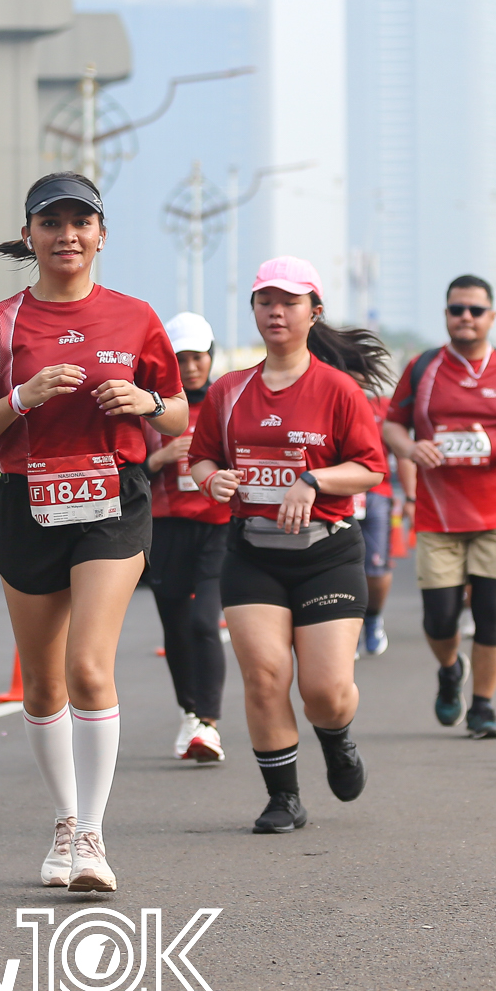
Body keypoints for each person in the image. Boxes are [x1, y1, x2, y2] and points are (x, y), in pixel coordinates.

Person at [0, 171, 185, 894]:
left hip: (112, 497)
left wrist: (145, 401)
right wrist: (20, 397)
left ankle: (92, 838)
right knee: (44, 682)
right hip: (28, 502)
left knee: (88, 666)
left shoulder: (136, 317)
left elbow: (178, 412)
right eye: (52, 223)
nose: (67, 236)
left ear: (102, 236)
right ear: (29, 236)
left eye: (81, 223)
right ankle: (64, 819)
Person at [188, 257, 388, 833]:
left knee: (325, 691)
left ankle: (337, 736)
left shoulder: (338, 389)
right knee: (265, 677)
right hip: (253, 553)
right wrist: (211, 480)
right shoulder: (229, 390)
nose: (276, 311)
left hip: (327, 554)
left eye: (290, 302)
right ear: (254, 309)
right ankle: (284, 797)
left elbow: (371, 468)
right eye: (266, 301)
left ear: (313, 312)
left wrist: (313, 480)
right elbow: (202, 457)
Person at [382, 275, 496, 740]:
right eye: (457, 309)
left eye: (476, 310)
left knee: (491, 615)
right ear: (446, 315)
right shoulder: (423, 368)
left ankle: (483, 707)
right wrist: (410, 449)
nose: (466, 317)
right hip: (439, 514)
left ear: (491, 317)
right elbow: (392, 426)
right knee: (439, 619)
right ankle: (450, 668)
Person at [144, 311, 230, 765]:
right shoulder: (151, 409)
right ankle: (190, 713)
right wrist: (159, 460)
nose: (191, 367)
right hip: (166, 527)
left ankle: (209, 724)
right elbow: (124, 468)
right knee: (176, 627)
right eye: (181, 359)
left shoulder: (226, 401)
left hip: (218, 528)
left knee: (203, 622)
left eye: (198, 357)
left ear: (211, 356)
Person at [357, 386, 414, 658]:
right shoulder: (326, 396)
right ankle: (346, 628)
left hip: (377, 494)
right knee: (334, 565)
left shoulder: (383, 406)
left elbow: (403, 454)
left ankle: (373, 618)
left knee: (376, 567)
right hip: (334, 493)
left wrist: (411, 497)